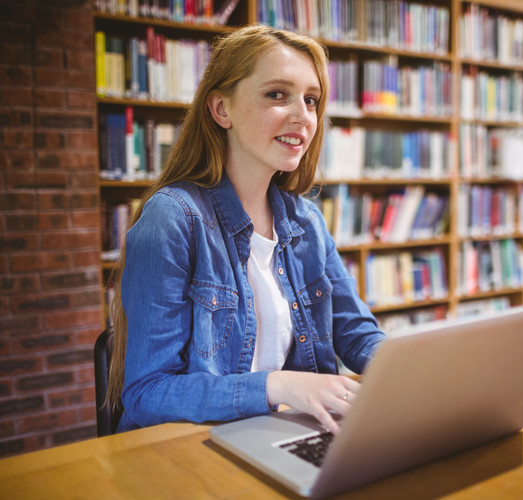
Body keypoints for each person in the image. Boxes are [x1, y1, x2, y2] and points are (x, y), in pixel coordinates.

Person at [106, 24, 386, 434]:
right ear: (222, 109)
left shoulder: (306, 222)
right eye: (277, 94)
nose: (302, 116)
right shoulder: (173, 219)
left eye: (311, 100)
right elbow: (148, 393)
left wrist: (410, 371)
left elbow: (356, 334)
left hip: (285, 434)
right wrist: (277, 386)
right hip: (191, 449)